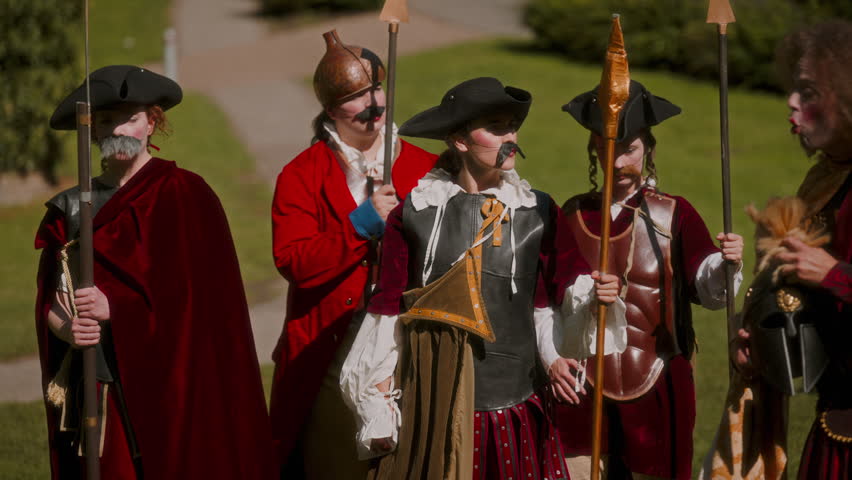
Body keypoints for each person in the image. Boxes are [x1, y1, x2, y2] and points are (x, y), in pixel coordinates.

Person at [339, 77, 623, 480]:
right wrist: (379, 401)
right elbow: (388, 310)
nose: (510, 136)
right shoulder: (417, 212)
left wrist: (597, 293)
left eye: (512, 125)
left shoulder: (537, 210)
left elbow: (550, 297)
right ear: (459, 141)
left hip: (514, 403)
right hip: (433, 398)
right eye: (496, 127)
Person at [35, 65, 275, 479]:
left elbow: (206, 312)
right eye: (106, 121)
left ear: (152, 122)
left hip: (180, 391)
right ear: (92, 132)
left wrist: (118, 308)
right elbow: (52, 302)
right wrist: (68, 328)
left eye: (129, 118)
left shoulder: (188, 195)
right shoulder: (72, 209)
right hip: (102, 384)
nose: (118, 130)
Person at [553, 80, 744, 480]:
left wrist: (725, 265)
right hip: (582, 387)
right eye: (608, 149)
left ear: (649, 150)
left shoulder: (675, 214)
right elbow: (550, 299)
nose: (619, 160)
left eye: (630, 148)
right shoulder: (572, 217)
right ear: (593, 150)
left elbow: (707, 285)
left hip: (657, 382)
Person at [268, 30, 437, 478]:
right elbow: (294, 262)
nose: (373, 104)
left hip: (410, 345)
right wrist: (362, 224)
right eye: (357, 97)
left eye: (376, 89)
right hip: (332, 346)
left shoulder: (425, 166)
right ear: (330, 110)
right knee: (336, 464)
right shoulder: (301, 175)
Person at [731, 20, 852, 480]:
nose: (791, 102)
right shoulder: (827, 178)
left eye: (809, 90)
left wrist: (837, 275)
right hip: (834, 424)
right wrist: (766, 345)